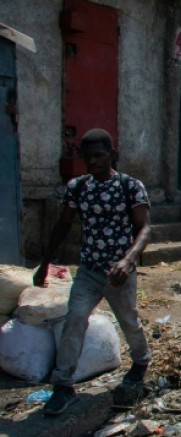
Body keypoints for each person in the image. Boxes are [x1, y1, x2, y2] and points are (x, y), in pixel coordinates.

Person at [33, 129, 152, 415]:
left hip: (118, 272)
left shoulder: (130, 186)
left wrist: (128, 261)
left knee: (129, 321)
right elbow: (63, 225)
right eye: (87, 157)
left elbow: (145, 228)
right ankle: (62, 386)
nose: (92, 161)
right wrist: (45, 262)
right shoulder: (78, 187)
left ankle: (141, 360)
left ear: (112, 155)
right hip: (88, 271)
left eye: (98, 155)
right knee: (74, 320)